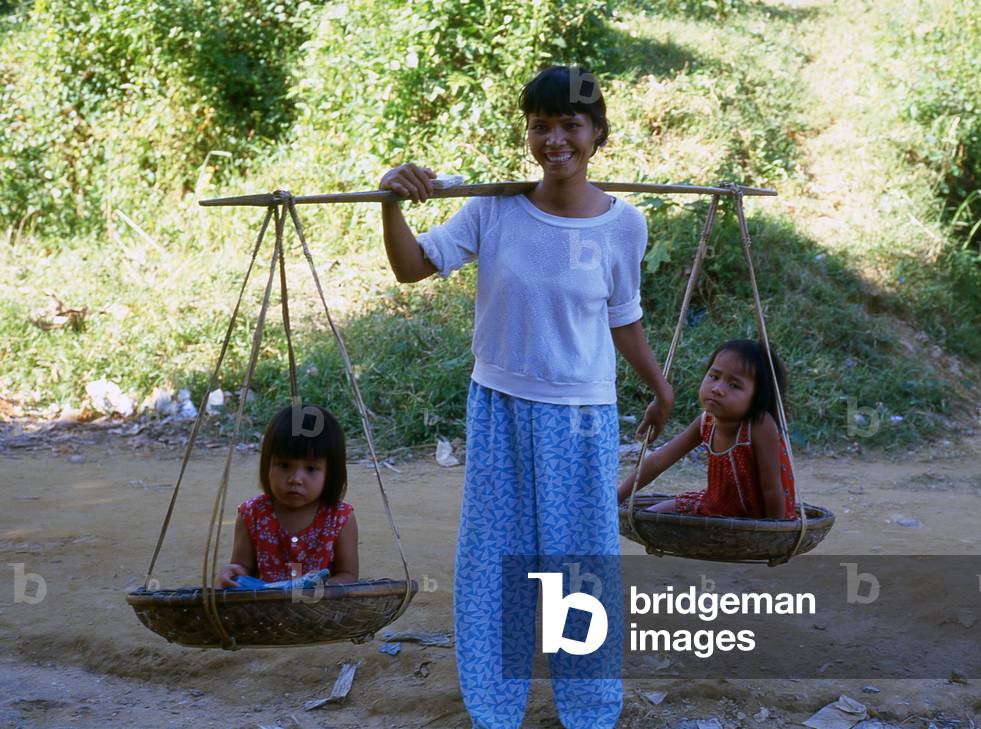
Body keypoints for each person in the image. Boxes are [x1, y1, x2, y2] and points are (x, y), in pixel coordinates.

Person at [378, 65, 672, 728]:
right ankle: (494, 708)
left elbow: (623, 316)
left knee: (580, 568)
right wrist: (392, 201)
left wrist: (659, 385)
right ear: (529, 133)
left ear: (597, 133)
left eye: (571, 124)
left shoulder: (624, 225)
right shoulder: (493, 208)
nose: (555, 139)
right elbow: (410, 266)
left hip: (583, 419)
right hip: (501, 407)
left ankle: (591, 711)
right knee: (495, 562)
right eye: (542, 125)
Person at [617, 339, 797, 520]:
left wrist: (773, 531)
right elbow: (659, 460)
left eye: (734, 385)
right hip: (716, 506)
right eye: (714, 377)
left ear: (757, 397)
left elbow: (772, 489)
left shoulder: (759, 425)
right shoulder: (706, 422)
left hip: (758, 515)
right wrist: (617, 497)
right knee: (649, 517)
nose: (717, 389)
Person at [215, 403, 359, 588]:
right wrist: (233, 572)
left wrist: (313, 588)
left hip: (321, 611)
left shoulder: (340, 518)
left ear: (331, 473)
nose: (295, 479)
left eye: (311, 468)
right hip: (266, 610)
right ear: (267, 466)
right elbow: (243, 567)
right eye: (283, 465)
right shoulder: (252, 514)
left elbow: (348, 576)